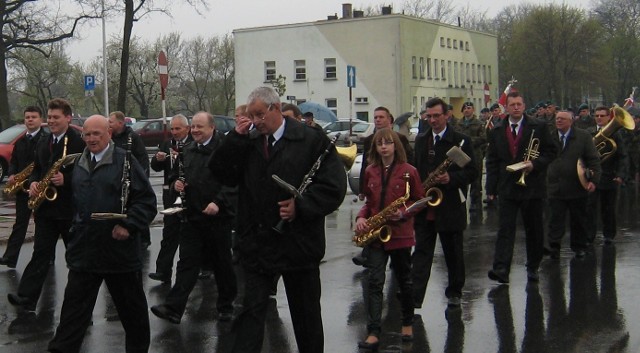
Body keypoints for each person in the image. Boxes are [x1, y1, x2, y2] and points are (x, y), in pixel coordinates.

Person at [209, 86, 346, 353]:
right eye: (251, 115)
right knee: (249, 314)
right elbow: (221, 173)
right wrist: (234, 139)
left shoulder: (310, 140)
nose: (256, 121)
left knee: (306, 318)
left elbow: (334, 187)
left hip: (299, 243)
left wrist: (301, 207)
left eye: (260, 114)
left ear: (276, 108)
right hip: (257, 243)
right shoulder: (248, 142)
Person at [48, 115, 157, 353]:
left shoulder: (125, 161)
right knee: (73, 315)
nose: (91, 138)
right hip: (85, 252)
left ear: (108, 133)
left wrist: (128, 226)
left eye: (97, 133)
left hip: (119, 254)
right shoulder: (78, 162)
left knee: (133, 315)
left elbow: (147, 201)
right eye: (87, 134)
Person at [150, 111, 237, 324]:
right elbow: (176, 177)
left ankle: (226, 306)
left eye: (200, 127)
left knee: (222, 264)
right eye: (194, 127)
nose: (196, 131)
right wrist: (177, 184)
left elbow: (233, 182)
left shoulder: (224, 150)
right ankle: (174, 308)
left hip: (218, 218)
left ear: (212, 128)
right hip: (192, 216)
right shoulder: (187, 151)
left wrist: (218, 202)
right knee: (187, 263)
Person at [8, 98, 85, 312]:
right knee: (40, 254)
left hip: (69, 210)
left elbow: (87, 173)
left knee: (76, 258)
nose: (51, 121)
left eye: (55, 117)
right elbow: (38, 168)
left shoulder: (78, 141)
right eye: (49, 117)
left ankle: (79, 305)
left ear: (68, 118)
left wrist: (66, 180)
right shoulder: (44, 141)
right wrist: (33, 181)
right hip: (46, 209)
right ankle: (27, 297)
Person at [355, 129, 424, 349]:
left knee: (404, 281)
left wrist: (403, 213)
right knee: (374, 282)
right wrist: (360, 218)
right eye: (380, 144)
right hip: (376, 235)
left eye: (388, 143)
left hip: (400, 234)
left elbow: (420, 200)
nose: (384, 147)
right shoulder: (370, 171)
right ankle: (373, 331)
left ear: (396, 146)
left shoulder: (409, 171)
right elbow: (368, 202)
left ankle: (407, 323)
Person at [412, 97, 478, 309]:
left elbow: (472, 171)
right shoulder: (422, 140)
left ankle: (455, 292)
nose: (432, 120)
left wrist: (451, 179)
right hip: (426, 205)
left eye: (436, 116)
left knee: (453, 252)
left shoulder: (460, 141)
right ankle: (415, 296)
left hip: (450, 204)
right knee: (422, 252)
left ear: (447, 115)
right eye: (429, 116)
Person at [485, 91, 555, 284]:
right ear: (506, 107)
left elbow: (550, 152)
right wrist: (491, 189)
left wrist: (536, 164)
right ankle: (501, 269)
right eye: (512, 104)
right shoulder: (497, 129)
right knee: (505, 229)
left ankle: (533, 266)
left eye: (519, 104)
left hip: (532, 185)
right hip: (507, 186)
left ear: (524, 106)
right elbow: (492, 160)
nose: (516, 107)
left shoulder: (538, 126)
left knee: (534, 229)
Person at [354, 106, 413, 267]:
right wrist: (362, 189)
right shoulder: (369, 140)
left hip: (398, 188)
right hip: (376, 184)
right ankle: (369, 253)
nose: (378, 120)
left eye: (381, 117)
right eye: (375, 117)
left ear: (390, 120)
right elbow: (365, 164)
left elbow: (410, 162)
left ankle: (399, 256)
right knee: (373, 219)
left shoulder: (401, 139)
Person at [546, 110, 602, 260]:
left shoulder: (583, 137)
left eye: (562, 119)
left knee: (578, 218)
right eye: (557, 119)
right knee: (555, 219)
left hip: (577, 185)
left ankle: (579, 247)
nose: (558, 121)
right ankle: (554, 247)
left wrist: (593, 180)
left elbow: (593, 159)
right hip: (555, 186)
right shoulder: (549, 137)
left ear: (571, 121)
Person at [0, 106, 47, 268]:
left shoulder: (45, 139)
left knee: (42, 225)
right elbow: (13, 161)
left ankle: (46, 258)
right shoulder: (20, 141)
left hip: (38, 187)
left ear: (41, 119)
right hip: (22, 188)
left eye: (34, 117)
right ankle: (10, 257)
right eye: (27, 117)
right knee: (20, 223)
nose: (30, 120)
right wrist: (12, 174)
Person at [148, 114, 192, 283]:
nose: (174, 132)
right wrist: (157, 160)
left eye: (178, 129)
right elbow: (156, 167)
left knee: (190, 234)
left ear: (187, 129)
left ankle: (201, 268)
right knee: (169, 232)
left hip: (189, 193)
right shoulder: (167, 144)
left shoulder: (192, 143)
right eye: (172, 128)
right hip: (171, 194)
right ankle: (163, 270)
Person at [586, 106, 628, 245]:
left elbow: (622, 156)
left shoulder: (615, 135)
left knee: (608, 208)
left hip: (609, 176)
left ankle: (609, 235)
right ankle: (589, 236)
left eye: (602, 116)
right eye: (596, 115)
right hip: (591, 176)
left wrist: (621, 174)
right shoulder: (588, 133)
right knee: (590, 208)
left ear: (608, 117)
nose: (599, 118)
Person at [109, 111, 151, 248]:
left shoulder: (132, 137)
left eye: (111, 122)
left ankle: (144, 238)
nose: (109, 124)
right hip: (118, 181)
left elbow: (143, 158)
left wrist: (142, 178)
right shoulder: (112, 138)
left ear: (120, 123)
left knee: (136, 208)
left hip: (132, 180)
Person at [454, 101, 487, 210]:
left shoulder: (479, 123)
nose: (466, 110)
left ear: (473, 110)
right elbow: (455, 136)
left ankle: (474, 200)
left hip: (475, 153)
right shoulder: (459, 123)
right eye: (464, 108)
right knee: (462, 177)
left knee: (475, 178)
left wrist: (469, 141)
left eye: (469, 108)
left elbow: (483, 138)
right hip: (461, 153)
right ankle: (462, 200)